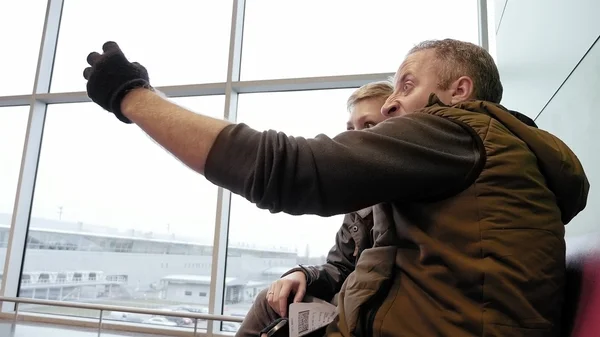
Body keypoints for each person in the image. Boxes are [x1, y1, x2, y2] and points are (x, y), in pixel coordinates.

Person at [82, 39, 589, 336]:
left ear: (459, 91)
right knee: (272, 309)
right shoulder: (478, 156)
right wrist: (309, 276)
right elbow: (353, 265)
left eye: (406, 87)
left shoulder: (457, 130)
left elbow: (285, 170)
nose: (391, 106)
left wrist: (132, 97)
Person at [235, 81, 394, 337]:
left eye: (369, 125)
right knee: (274, 300)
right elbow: (341, 267)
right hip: (352, 306)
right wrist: (304, 275)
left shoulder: (410, 195)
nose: (354, 136)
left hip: (373, 316)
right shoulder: (360, 203)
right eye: (350, 128)